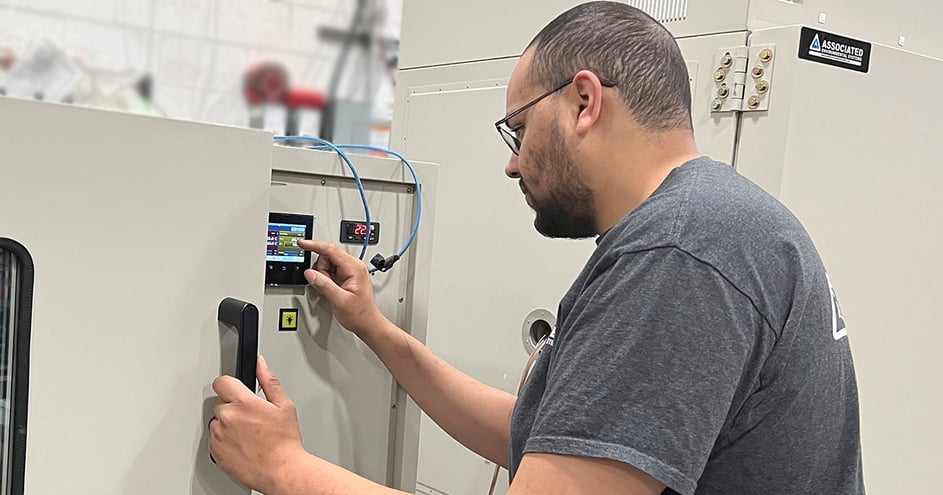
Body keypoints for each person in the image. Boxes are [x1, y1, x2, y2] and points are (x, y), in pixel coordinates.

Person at [209, 2, 864, 494]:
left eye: (517, 128)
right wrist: (376, 329)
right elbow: (533, 433)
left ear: (583, 101)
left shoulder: (678, 253)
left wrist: (285, 467)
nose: (512, 163)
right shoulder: (717, 221)